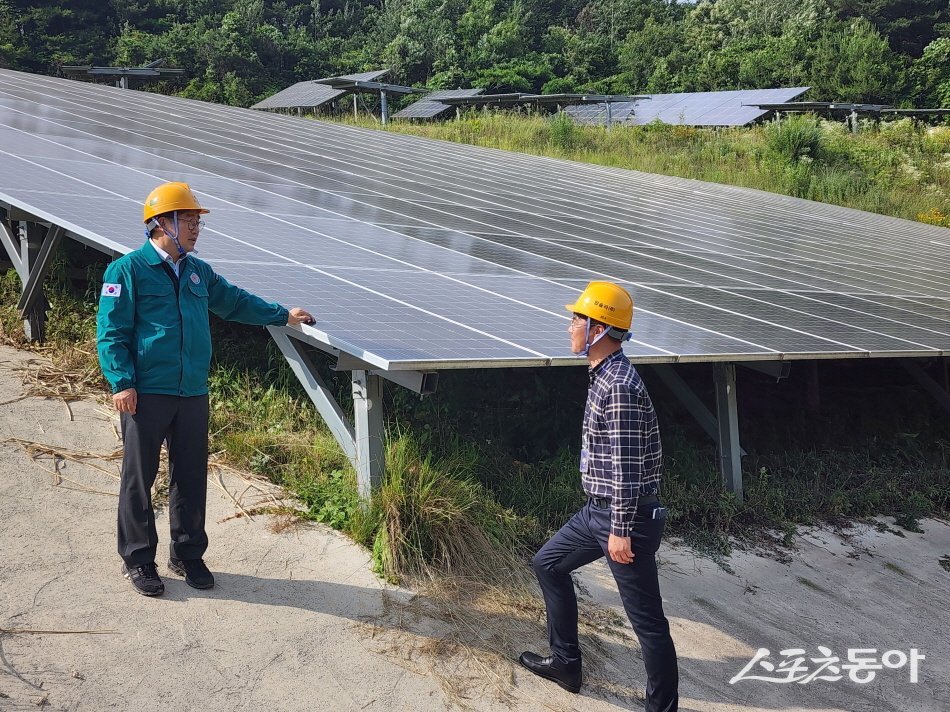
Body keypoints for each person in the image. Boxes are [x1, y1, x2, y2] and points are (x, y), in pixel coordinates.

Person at [96, 182, 315, 597]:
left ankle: (188, 554)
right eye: (190, 220)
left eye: (197, 221)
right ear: (162, 223)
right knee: (139, 479)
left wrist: (281, 314)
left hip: (192, 390)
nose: (197, 228)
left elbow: (233, 301)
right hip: (146, 391)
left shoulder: (199, 271)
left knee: (191, 475)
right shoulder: (125, 270)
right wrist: (121, 381)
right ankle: (139, 560)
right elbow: (111, 331)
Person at [519, 281, 679, 712]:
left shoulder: (620, 386)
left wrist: (622, 532)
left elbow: (627, 469)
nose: (569, 325)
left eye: (576, 319)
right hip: (597, 513)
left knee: (647, 624)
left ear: (599, 328)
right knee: (547, 563)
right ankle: (567, 665)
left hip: (625, 519)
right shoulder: (602, 374)